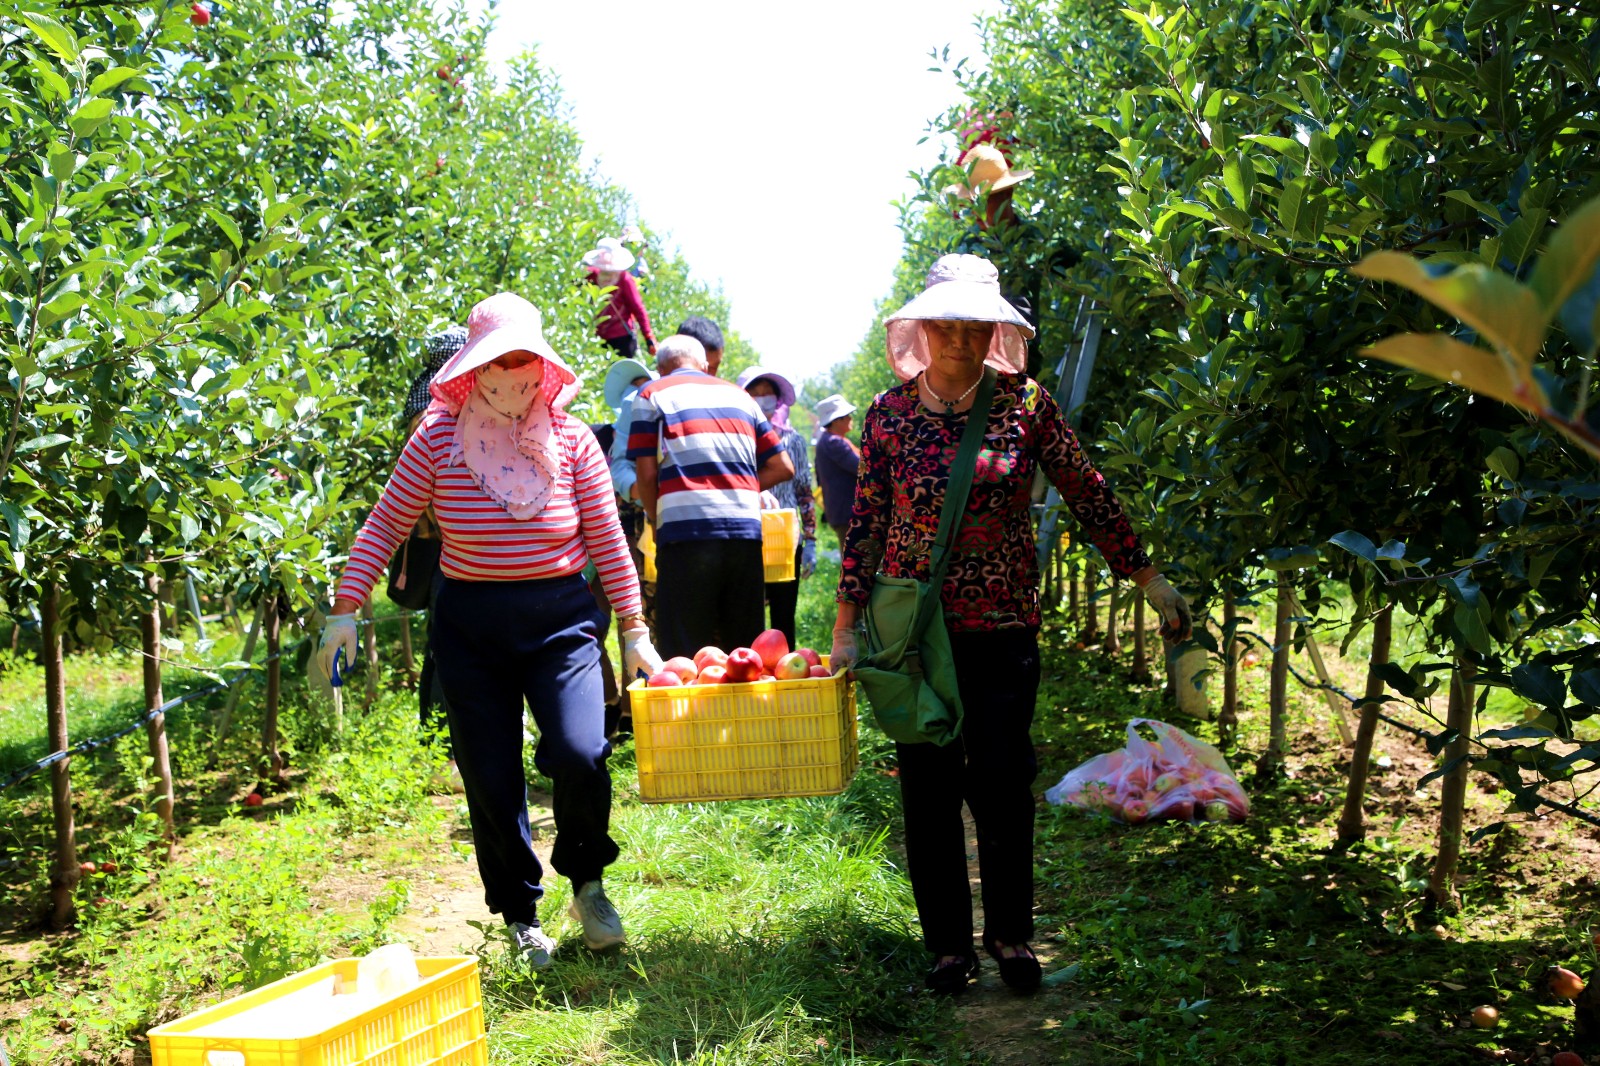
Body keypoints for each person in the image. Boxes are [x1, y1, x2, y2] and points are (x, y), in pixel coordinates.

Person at [829, 254, 1191, 995]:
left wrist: (1144, 574)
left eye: (975, 323)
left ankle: (1010, 934)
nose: (960, 336)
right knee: (928, 788)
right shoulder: (888, 416)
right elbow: (864, 526)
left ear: (995, 328)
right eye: (947, 322)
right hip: (915, 637)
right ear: (923, 327)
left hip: (1001, 625)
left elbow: (1084, 486)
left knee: (1000, 781)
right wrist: (844, 626)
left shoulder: (1024, 404)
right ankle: (948, 947)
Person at [318, 292, 664, 970]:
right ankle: (521, 914)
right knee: (491, 777)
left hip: (561, 619)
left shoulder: (569, 439)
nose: (515, 371)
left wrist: (634, 629)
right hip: (472, 626)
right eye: (500, 358)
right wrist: (344, 608)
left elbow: (607, 539)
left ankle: (587, 880)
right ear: (475, 366)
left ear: (543, 364)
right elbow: (385, 524)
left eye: (525, 358)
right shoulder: (440, 436)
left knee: (580, 751)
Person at [627, 335, 795, 659]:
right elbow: (783, 466)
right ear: (704, 365)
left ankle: (691, 712)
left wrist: (654, 517)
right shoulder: (740, 396)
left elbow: (646, 474)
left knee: (684, 656)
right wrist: (737, 491)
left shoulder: (651, 394)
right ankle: (744, 711)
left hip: (685, 536)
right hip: (744, 535)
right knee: (743, 654)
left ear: (660, 368)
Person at [946, 144, 1079, 378]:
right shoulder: (967, 248)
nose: (975, 211)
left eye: (983, 201)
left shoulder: (1033, 238)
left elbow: (1075, 257)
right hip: (974, 363)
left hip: (1022, 359)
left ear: (1007, 196)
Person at [399, 325, 466, 779]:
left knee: (441, 642)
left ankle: (438, 735)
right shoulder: (439, 410)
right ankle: (448, 742)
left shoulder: (415, 400)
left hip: (432, 539)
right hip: (449, 542)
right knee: (452, 644)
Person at [737, 366, 817, 646]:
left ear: (778, 399)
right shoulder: (737, 439)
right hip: (747, 536)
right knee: (749, 614)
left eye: (767, 395)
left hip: (784, 539)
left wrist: (811, 540)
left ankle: (784, 678)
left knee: (784, 615)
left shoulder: (792, 441)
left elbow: (804, 491)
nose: (761, 400)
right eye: (754, 394)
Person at [583, 238, 656, 361]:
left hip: (621, 340)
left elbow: (638, 308)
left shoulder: (624, 279)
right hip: (595, 338)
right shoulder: (590, 276)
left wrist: (649, 337)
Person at [812, 394, 859, 544]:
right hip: (847, 512)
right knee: (854, 559)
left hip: (841, 512)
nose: (851, 419)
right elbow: (862, 468)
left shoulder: (828, 441)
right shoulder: (834, 443)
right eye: (847, 416)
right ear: (837, 420)